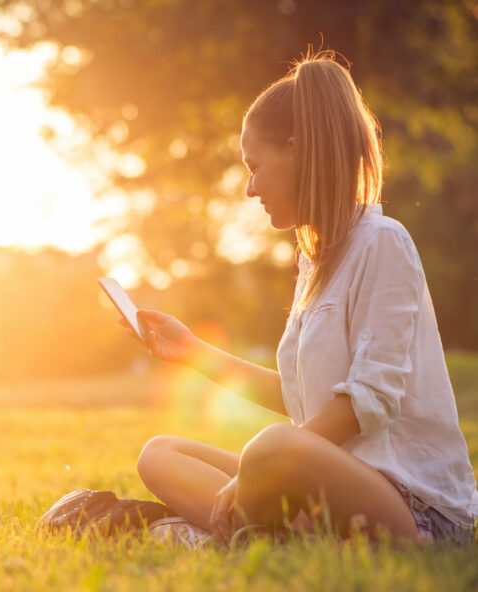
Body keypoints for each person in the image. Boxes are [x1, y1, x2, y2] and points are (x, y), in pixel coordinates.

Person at [119, 50, 478, 546]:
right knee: (159, 454)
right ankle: (254, 533)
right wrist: (191, 352)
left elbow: (370, 401)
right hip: (325, 488)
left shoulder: (383, 242)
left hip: (413, 507)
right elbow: (299, 397)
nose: (249, 189)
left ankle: (205, 532)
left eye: (255, 167)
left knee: (271, 448)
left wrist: (265, 469)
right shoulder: (315, 261)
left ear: (295, 151)